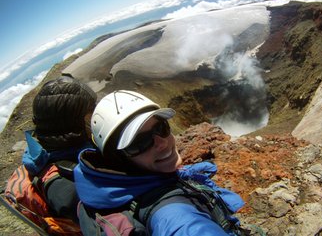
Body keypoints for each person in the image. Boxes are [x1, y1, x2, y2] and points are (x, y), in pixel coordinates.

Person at [74, 90, 245, 236]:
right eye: (140, 142)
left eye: (161, 128)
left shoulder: (121, 190)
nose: (162, 143)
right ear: (118, 159)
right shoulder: (173, 217)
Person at [22, 74, 97, 222]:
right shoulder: (64, 185)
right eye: (90, 114)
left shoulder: (55, 150)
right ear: (71, 123)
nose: (96, 119)